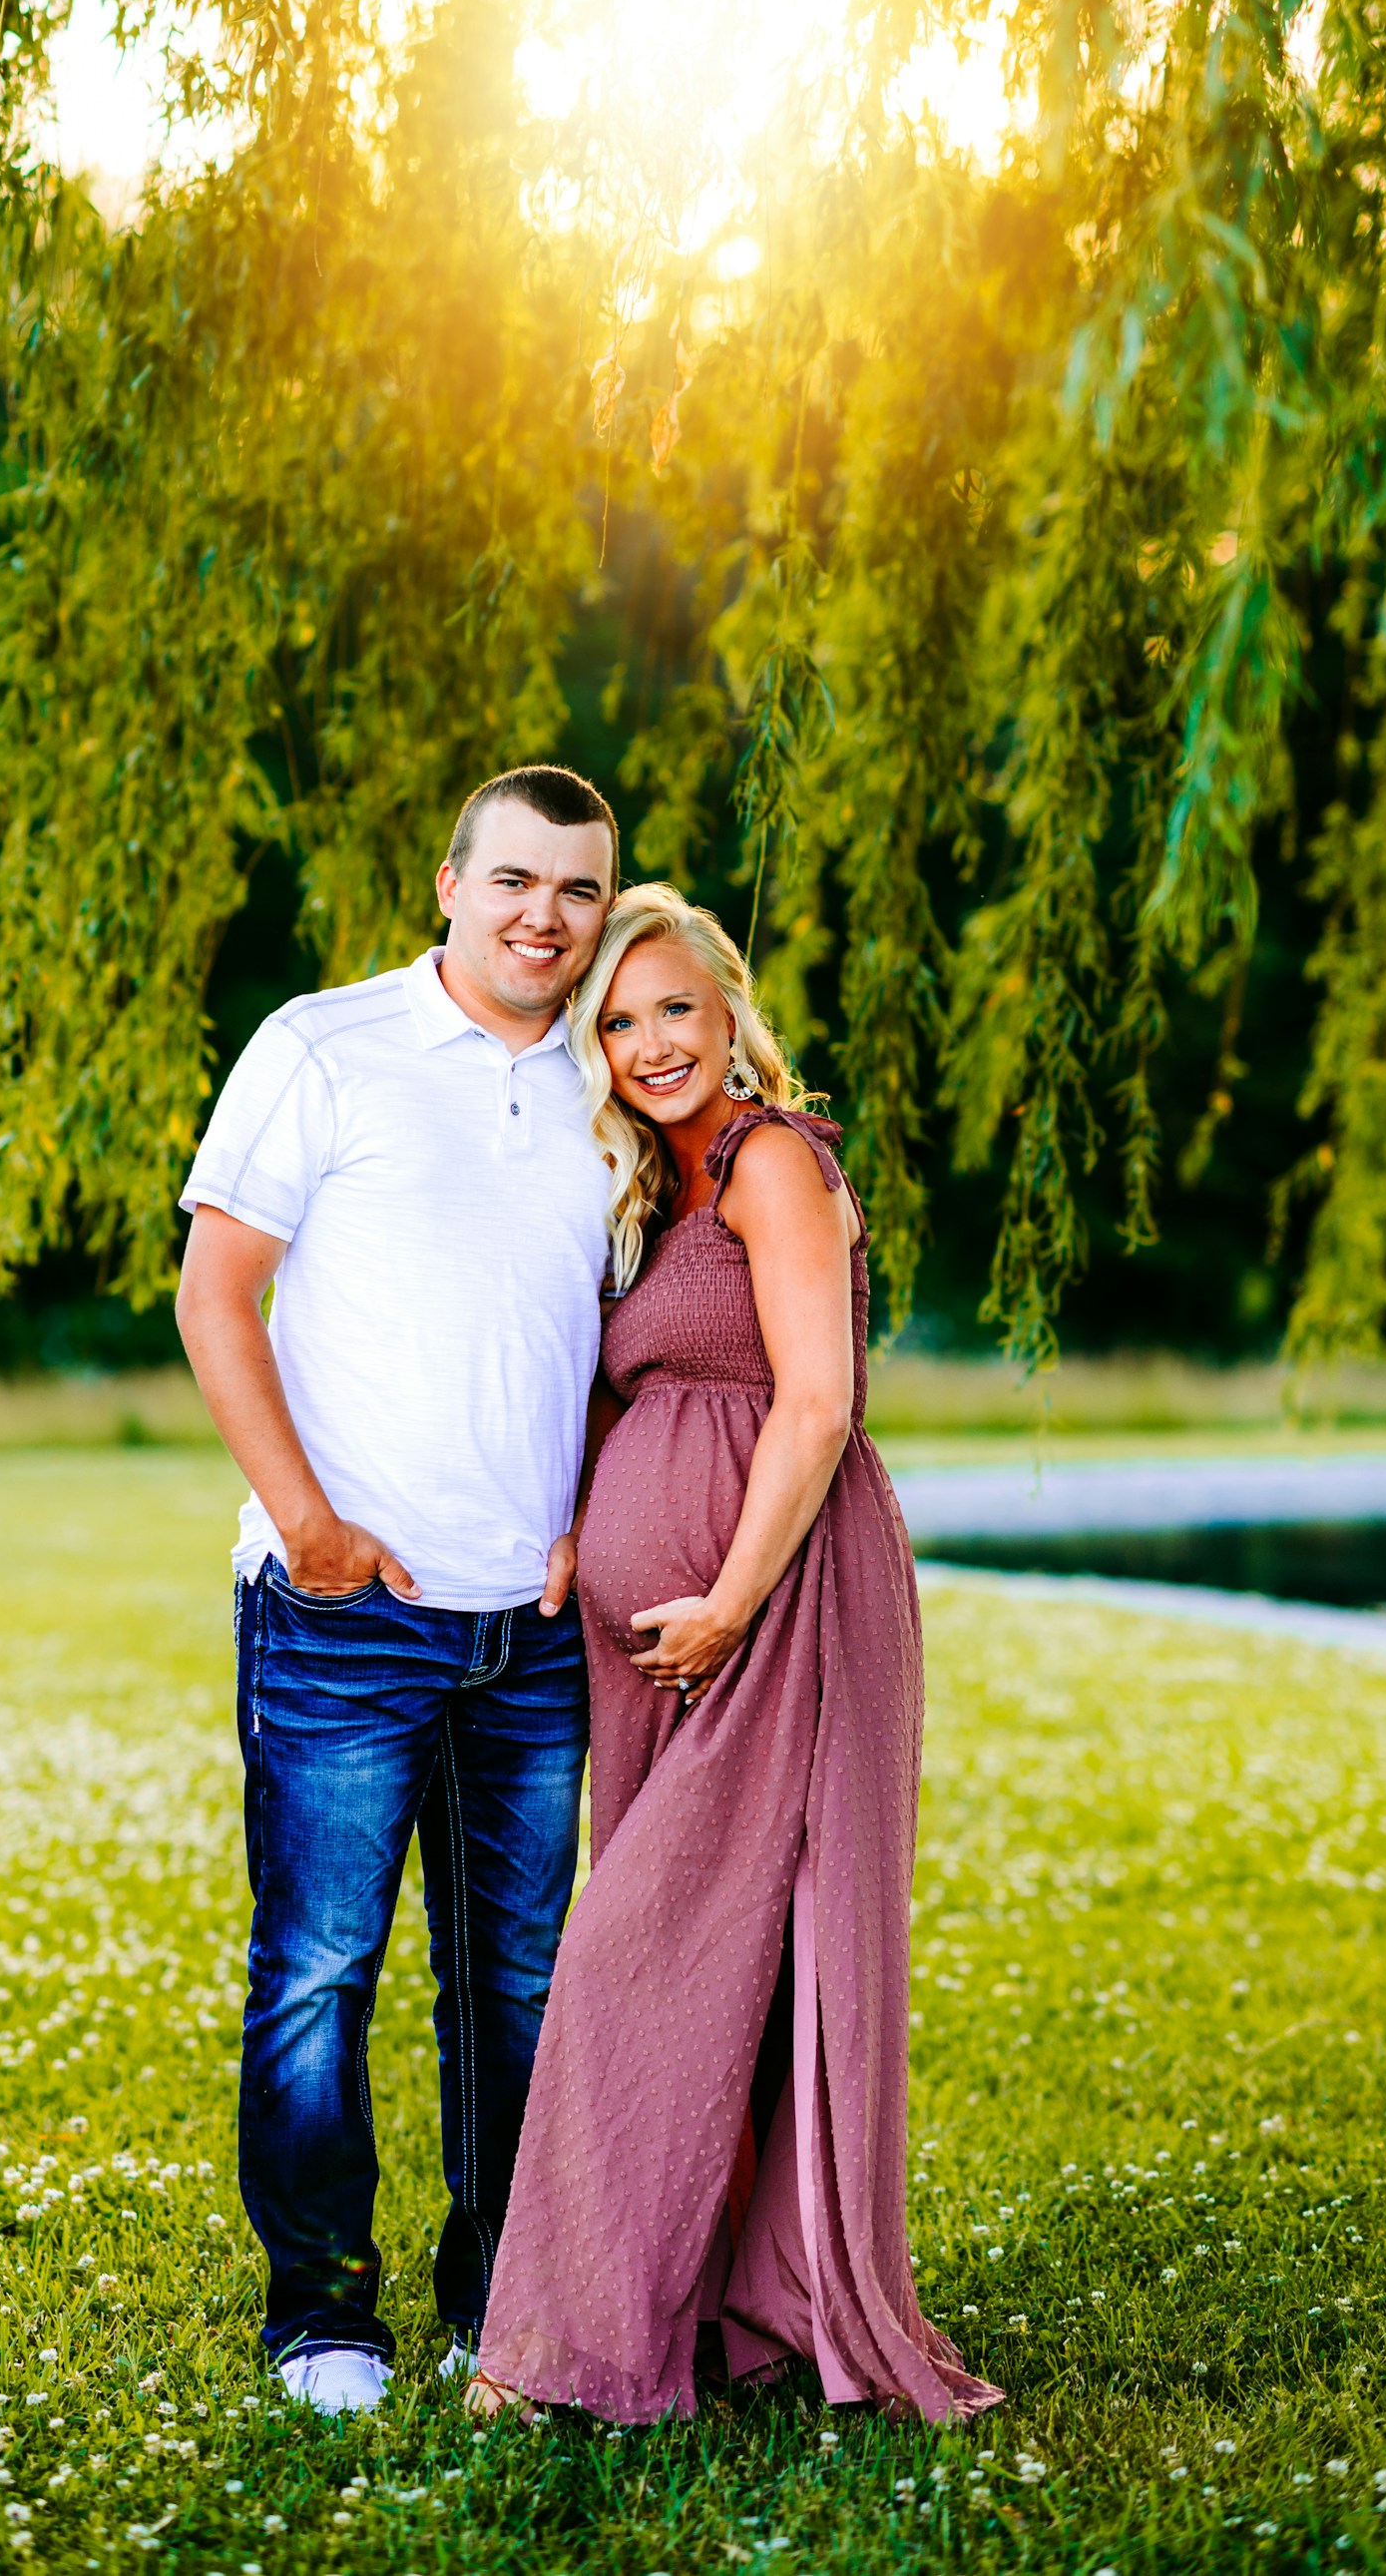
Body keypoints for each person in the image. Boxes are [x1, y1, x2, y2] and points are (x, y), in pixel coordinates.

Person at [468, 883, 1004, 2428]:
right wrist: (581, 1527)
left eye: (673, 1011)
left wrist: (726, 1602)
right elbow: (623, 1387)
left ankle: (564, 2348)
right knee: (709, 1969)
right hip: (647, 1639)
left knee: (635, 1957)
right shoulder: (651, 1179)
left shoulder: (773, 1162)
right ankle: (731, 2305)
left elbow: (817, 1404)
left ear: (730, 1012)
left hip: (780, 1609)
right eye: (617, 1022)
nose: (647, 1043)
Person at [174, 764, 618, 2416]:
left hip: (538, 1632)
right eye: (512, 880)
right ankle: (323, 2315)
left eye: (576, 890)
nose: (543, 917)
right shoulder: (321, 1045)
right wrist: (310, 1523)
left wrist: (599, 1507)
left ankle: (502, 2292)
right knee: (320, 1965)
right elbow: (217, 1295)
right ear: (448, 883)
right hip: (343, 1613)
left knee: (518, 1980)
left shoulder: (611, 1077)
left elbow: (625, 1336)